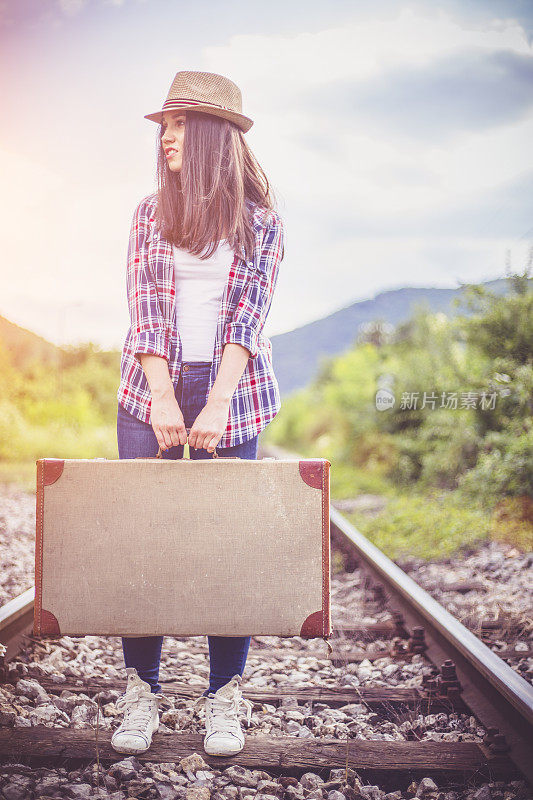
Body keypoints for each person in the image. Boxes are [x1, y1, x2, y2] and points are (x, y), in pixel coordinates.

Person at [112, 70, 285, 757]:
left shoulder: (262, 223)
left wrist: (216, 401)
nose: (168, 135)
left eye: (181, 124)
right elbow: (145, 306)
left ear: (216, 135)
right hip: (147, 385)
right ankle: (140, 690)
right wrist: (160, 395)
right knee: (145, 543)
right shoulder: (149, 211)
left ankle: (223, 693)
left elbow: (248, 317)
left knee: (224, 546)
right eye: (165, 125)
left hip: (231, 391)